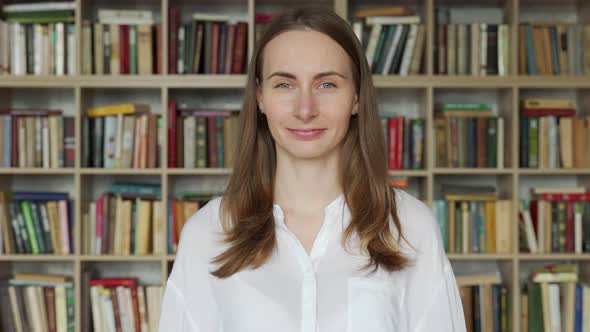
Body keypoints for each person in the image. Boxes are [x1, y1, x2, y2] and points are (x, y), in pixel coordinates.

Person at [159, 6, 466, 332]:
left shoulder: (411, 227)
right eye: (284, 85)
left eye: (327, 85)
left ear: (357, 97)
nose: (305, 109)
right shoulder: (207, 234)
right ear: (260, 97)